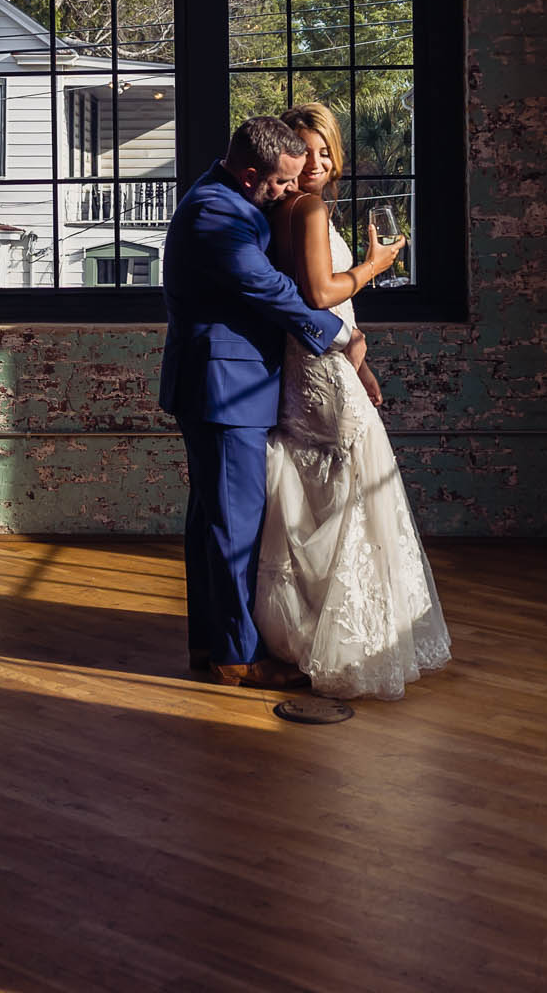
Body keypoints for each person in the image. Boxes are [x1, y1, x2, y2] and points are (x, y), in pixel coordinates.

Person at [251, 101, 450, 700]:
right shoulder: (308, 208)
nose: (315, 162)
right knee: (351, 494)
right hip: (322, 373)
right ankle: (354, 643)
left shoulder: (280, 210)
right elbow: (319, 294)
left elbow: (311, 306)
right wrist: (374, 265)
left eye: (324, 151)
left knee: (318, 497)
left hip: (308, 368)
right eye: (303, 150)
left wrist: (360, 362)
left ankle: (307, 634)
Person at [160, 117, 368, 689]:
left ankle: (210, 642)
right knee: (235, 529)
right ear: (252, 173)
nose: (286, 192)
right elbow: (266, 287)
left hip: (220, 387)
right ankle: (238, 657)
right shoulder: (215, 210)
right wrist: (340, 334)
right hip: (224, 389)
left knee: (213, 521)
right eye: (280, 182)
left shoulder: (225, 197)